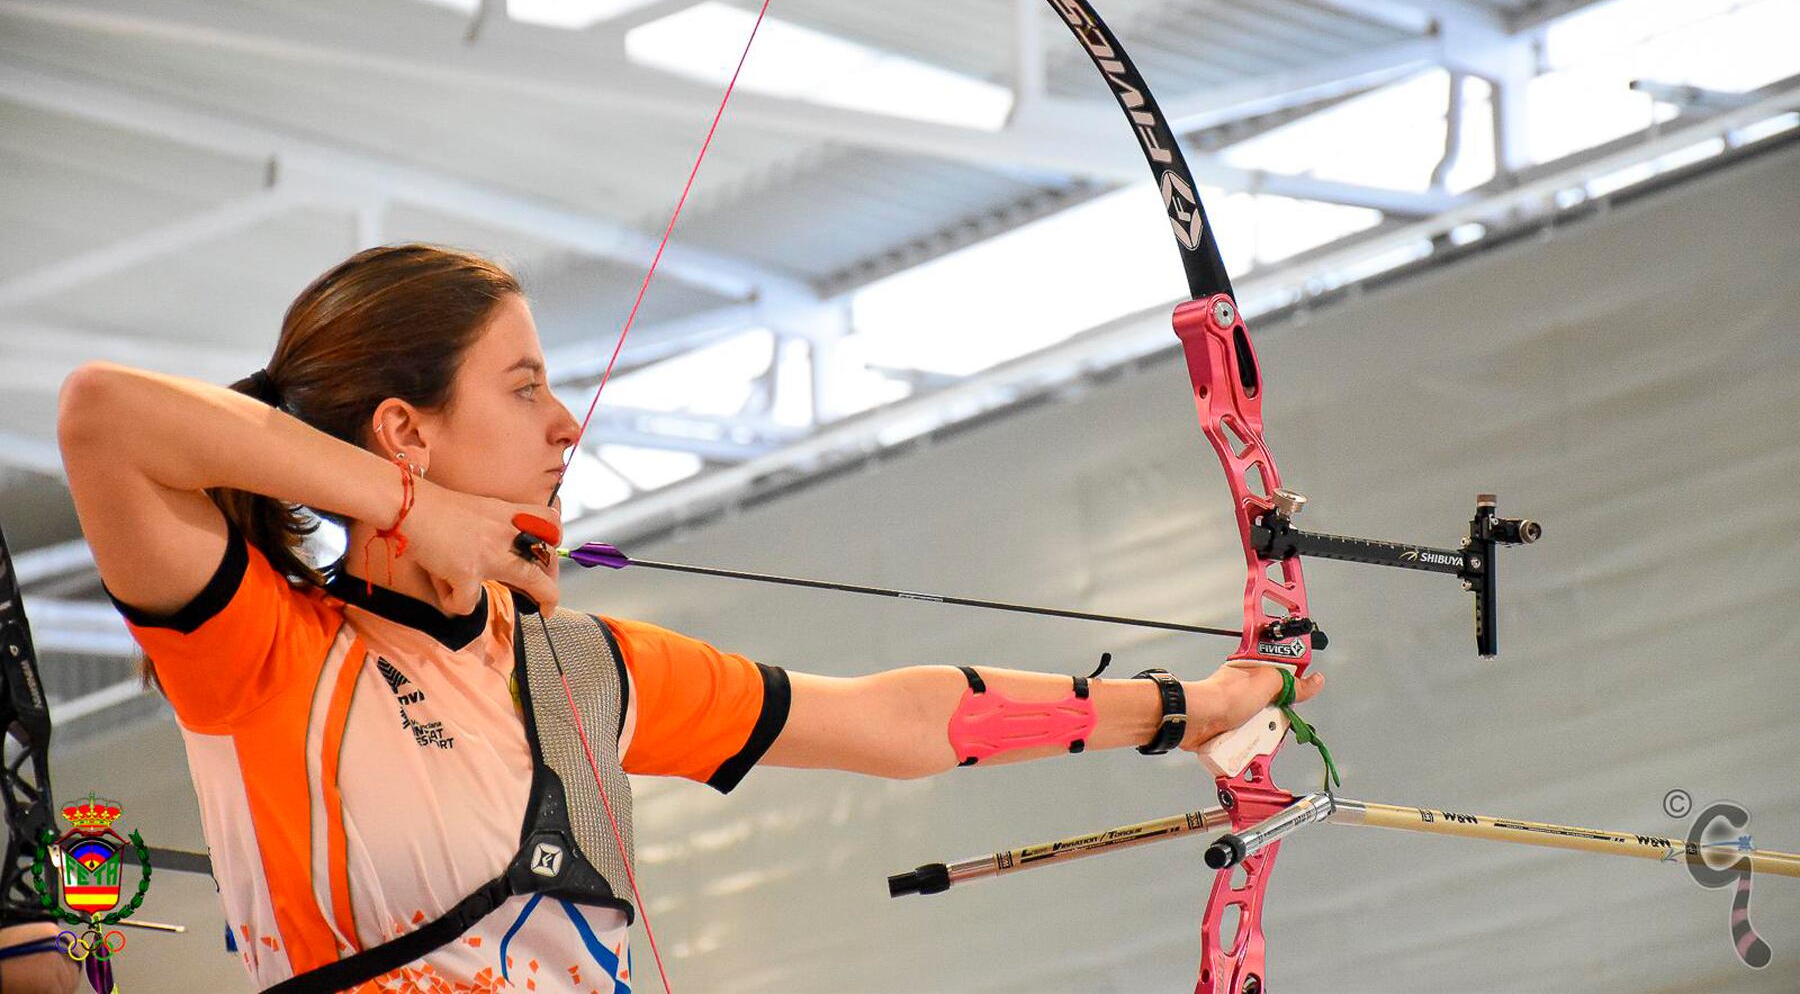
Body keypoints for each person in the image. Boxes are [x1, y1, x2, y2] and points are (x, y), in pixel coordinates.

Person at [55, 244, 1323, 991]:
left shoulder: (575, 672)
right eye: (525, 386)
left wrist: (1185, 709)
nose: (566, 425)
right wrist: (414, 514)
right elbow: (105, 415)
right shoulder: (265, 651)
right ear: (406, 428)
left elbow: (895, 720)